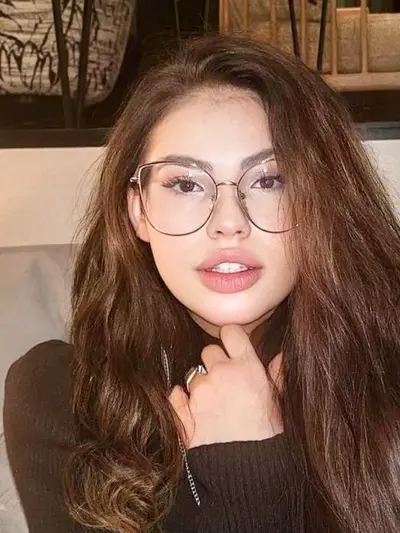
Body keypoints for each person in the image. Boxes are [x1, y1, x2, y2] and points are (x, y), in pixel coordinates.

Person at [3, 34, 400, 533]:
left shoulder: (383, 377)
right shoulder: (62, 400)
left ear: (325, 199)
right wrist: (239, 470)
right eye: (185, 184)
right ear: (138, 210)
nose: (228, 222)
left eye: (270, 180)